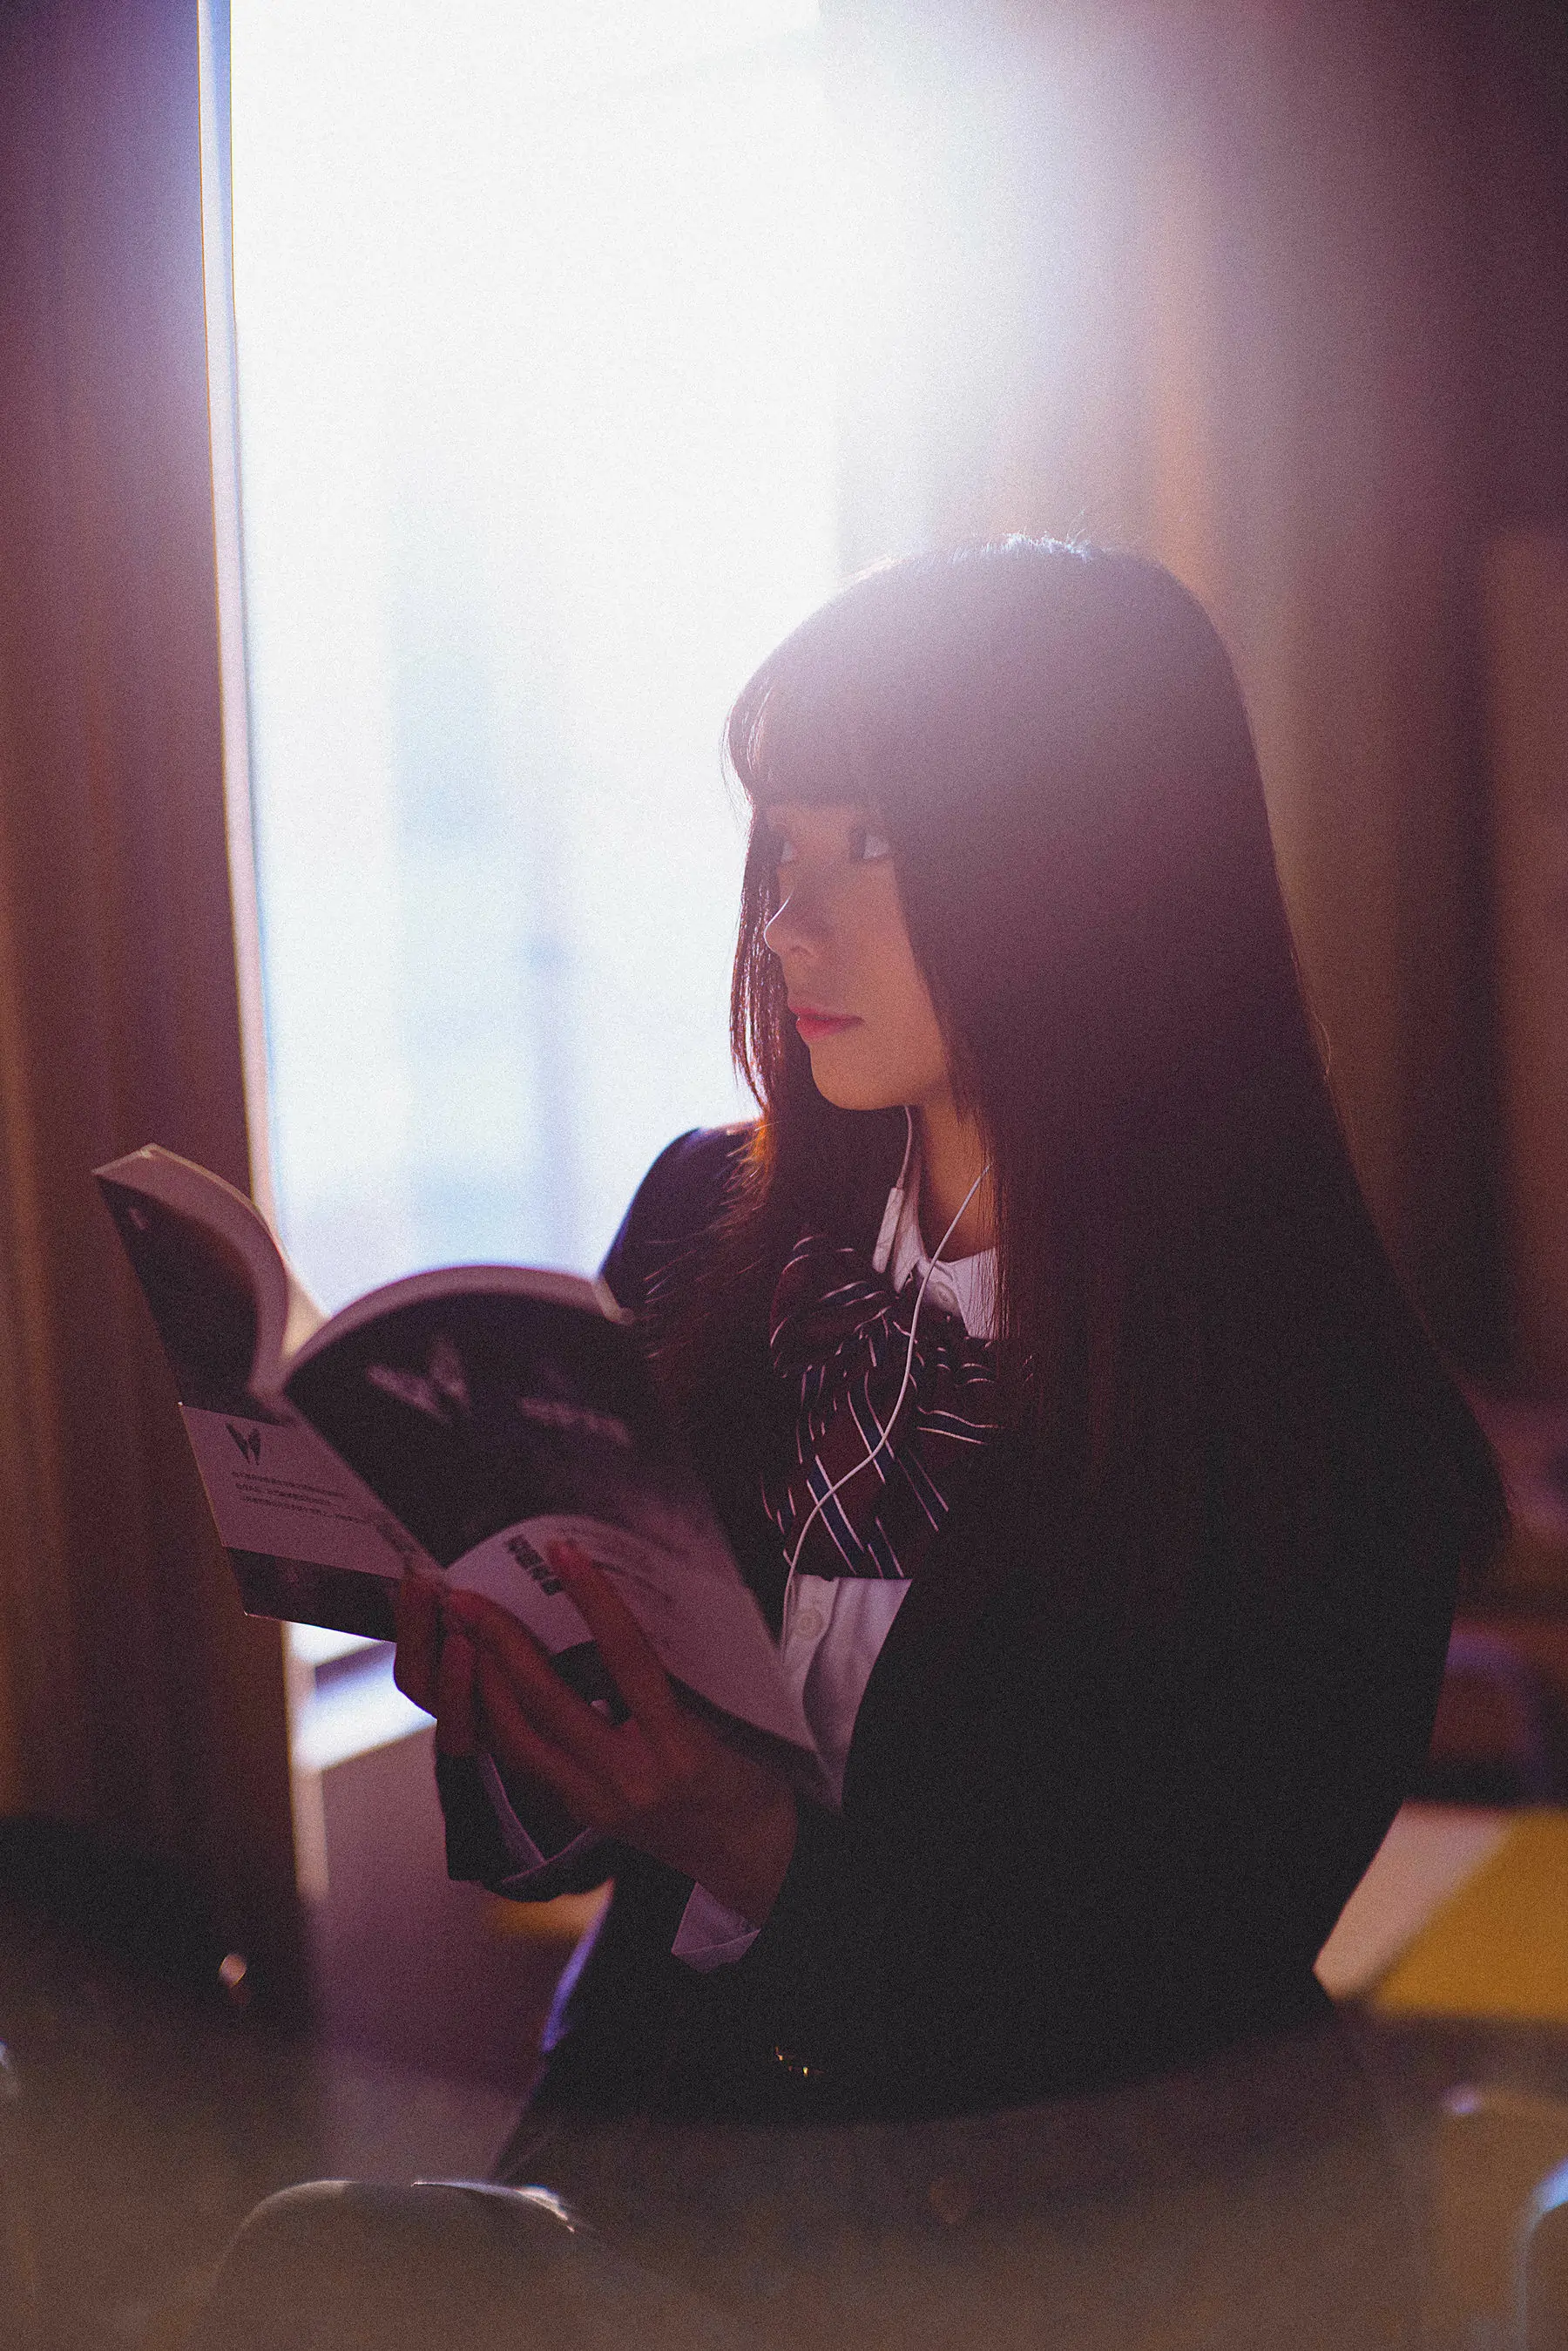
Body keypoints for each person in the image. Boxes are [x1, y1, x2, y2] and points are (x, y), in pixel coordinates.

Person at [394, 538, 1506, 2136]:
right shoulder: (704, 1216)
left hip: (1061, 2223)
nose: (787, 924)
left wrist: (750, 1839)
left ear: (1095, 871)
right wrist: (514, 1708)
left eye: (872, 841)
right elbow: (556, 1848)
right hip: (649, 2153)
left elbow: (1163, 1990)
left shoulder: (1319, 1422)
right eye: (782, 842)